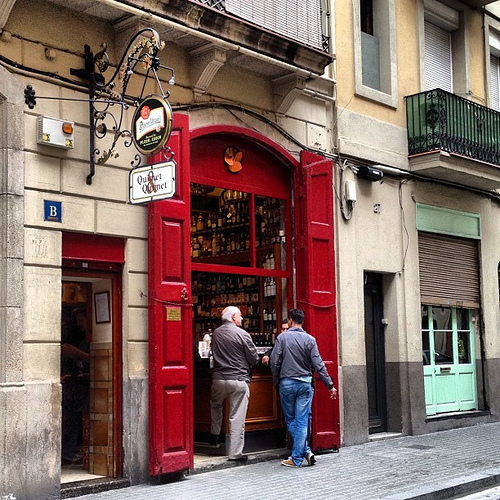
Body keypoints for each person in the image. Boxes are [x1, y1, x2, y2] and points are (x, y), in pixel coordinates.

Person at [271, 308, 337, 468]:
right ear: (303, 321)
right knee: (301, 420)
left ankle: (296, 458)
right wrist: (330, 385)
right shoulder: (310, 340)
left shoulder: (282, 338)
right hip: (305, 383)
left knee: (291, 419)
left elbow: (274, 361)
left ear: (290, 321)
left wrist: (276, 380)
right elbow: (319, 364)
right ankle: (305, 451)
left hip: (287, 382)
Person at [210, 305, 260, 462]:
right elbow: (254, 358)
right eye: (239, 315)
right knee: (236, 416)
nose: (242, 318)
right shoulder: (243, 334)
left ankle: (214, 436)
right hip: (238, 379)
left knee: (215, 405)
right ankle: (235, 453)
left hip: (218, 378)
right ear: (233, 318)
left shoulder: (216, 333)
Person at [61, 308, 91, 465]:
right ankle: (70, 452)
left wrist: (77, 352)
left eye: (81, 320)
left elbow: (95, 359)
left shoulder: (91, 340)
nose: (79, 324)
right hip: (78, 386)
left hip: (87, 387)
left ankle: (73, 452)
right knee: (73, 420)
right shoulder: (83, 339)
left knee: (77, 420)